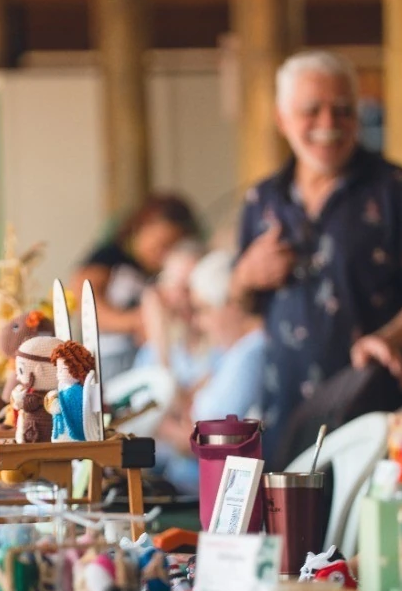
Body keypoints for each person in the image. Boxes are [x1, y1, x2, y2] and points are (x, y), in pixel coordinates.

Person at [233, 50, 402, 455]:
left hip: (373, 413)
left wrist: (388, 337)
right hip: (282, 416)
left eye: (343, 110)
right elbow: (241, 305)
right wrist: (245, 276)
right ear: (282, 119)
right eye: (311, 110)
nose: (328, 124)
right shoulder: (261, 200)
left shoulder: (401, 191)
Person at [156, 250, 267, 490]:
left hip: (205, 489)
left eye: (203, 310)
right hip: (189, 481)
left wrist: (159, 426)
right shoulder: (234, 353)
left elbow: (206, 442)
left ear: (230, 305)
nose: (199, 322)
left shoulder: (252, 351)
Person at [74, 193, 202, 374]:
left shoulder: (161, 272)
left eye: (171, 247)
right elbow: (84, 303)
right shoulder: (109, 256)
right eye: (160, 243)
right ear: (142, 227)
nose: (162, 254)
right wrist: (136, 321)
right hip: (106, 360)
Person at [135, 240, 212, 387]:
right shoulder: (151, 351)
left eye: (188, 287)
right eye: (171, 285)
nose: (178, 298)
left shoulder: (219, 346)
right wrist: (159, 335)